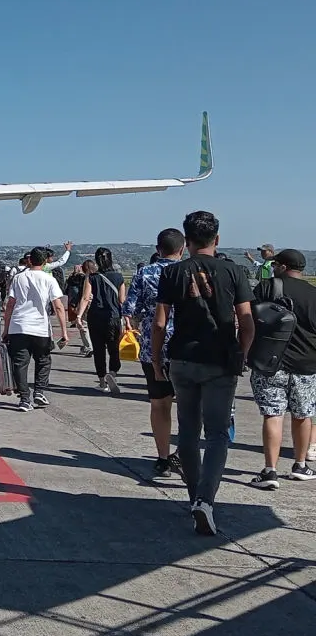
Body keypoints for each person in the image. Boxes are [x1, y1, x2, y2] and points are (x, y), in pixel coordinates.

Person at [153, 210, 254, 536]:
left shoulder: (173, 272)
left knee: (187, 432)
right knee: (217, 434)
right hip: (219, 360)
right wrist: (243, 352)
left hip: (182, 358)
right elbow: (247, 321)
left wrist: (156, 360)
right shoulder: (233, 270)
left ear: (188, 241)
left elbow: (159, 323)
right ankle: (206, 501)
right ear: (217, 239)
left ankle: (194, 494)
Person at [247, 249, 316, 489]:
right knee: (303, 414)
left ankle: (270, 471)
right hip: (306, 364)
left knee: (273, 414)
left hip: (269, 363)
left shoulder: (266, 288)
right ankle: (300, 465)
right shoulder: (313, 294)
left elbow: (250, 319)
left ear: (282, 266)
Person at [123, 228, 185, 479]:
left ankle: (162, 457)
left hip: (153, 346)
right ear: (181, 249)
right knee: (189, 406)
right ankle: (183, 453)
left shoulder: (144, 273)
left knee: (160, 404)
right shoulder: (187, 272)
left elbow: (129, 308)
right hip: (184, 345)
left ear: (158, 248)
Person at [2, 247, 71, 413]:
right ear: (45, 261)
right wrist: (64, 332)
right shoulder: (49, 279)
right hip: (40, 328)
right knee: (43, 360)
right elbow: (59, 306)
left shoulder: (18, 278)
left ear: (29, 260)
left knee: (19, 363)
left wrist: (6, 329)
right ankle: (39, 391)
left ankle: (24, 399)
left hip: (18, 326)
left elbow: (10, 305)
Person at [77, 247, 127, 393]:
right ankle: (112, 373)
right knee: (113, 349)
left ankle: (101, 382)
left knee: (98, 350)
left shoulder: (91, 277)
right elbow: (122, 300)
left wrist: (79, 316)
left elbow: (85, 298)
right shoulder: (119, 277)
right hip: (114, 317)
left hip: (96, 317)